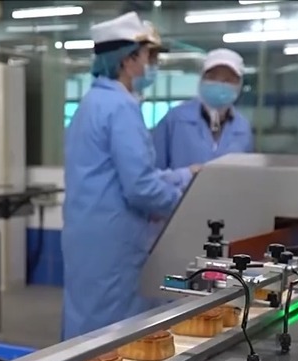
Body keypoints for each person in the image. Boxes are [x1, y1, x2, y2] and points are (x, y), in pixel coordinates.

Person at [61, 12, 200, 340]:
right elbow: (141, 188)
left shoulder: (92, 102)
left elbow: (118, 173)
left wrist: (183, 175)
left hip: (87, 236)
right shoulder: (121, 107)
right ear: (127, 60)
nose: (153, 66)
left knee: (85, 319)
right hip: (115, 243)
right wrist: (185, 208)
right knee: (114, 332)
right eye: (149, 57)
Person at [152, 48, 254, 169]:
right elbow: (155, 170)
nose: (219, 84)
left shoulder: (242, 127)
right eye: (213, 77)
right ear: (201, 79)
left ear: (239, 85)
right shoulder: (176, 119)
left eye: (228, 80)